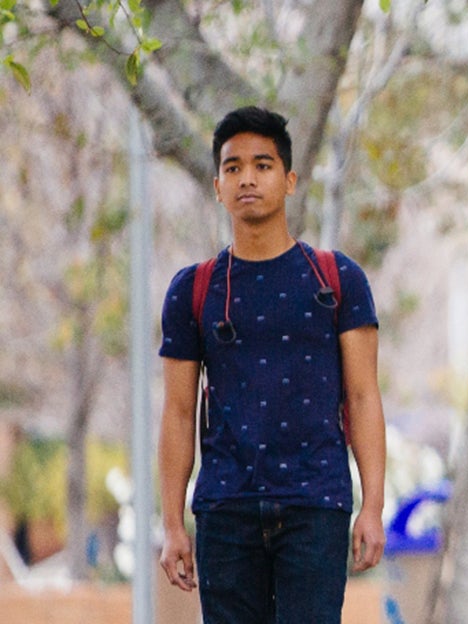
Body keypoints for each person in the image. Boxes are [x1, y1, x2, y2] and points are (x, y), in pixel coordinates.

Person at [156, 106, 387, 624]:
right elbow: (176, 413)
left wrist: (372, 506)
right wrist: (172, 525)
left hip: (315, 505)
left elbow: (364, 396)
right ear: (217, 185)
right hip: (225, 509)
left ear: (289, 180)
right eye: (233, 167)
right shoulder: (193, 290)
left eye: (262, 165)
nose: (247, 179)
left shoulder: (337, 280)